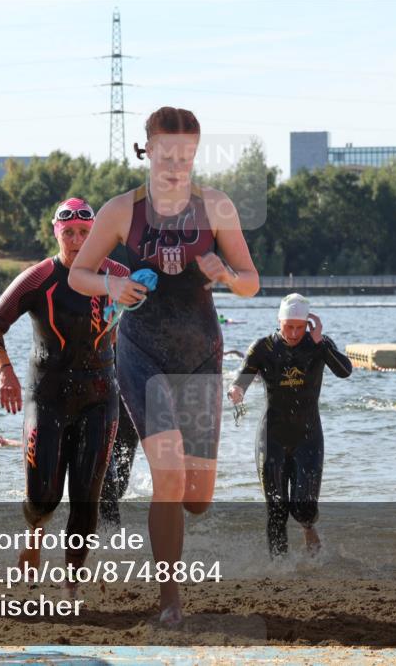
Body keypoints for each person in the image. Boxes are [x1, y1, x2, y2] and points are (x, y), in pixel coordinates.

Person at [69, 106, 259, 625]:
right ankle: (170, 601)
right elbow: (78, 275)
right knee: (168, 476)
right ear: (147, 149)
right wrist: (111, 284)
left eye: (187, 155)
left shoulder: (216, 208)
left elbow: (252, 281)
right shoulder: (120, 211)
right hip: (141, 351)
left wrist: (226, 273)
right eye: (167, 153)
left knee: (196, 498)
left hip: (200, 351)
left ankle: (172, 542)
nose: (176, 164)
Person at [0, 198, 130, 597]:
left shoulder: (117, 274)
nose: (78, 241)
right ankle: (35, 532)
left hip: (100, 394)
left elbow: (130, 326)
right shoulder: (38, 278)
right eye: (70, 234)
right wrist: (5, 374)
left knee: (87, 496)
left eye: (85, 233)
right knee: (43, 495)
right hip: (46, 395)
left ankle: (72, 585)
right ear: (56, 233)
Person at [228, 294, 352, 557]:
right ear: (279, 321)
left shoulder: (318, 345)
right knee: (276, 510)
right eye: (288, 327)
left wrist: (321, 344)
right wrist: (237, 390)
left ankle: (308, 527)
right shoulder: (263, 347)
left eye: (299, 327)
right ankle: (279, 567)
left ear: (308, 323)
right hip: (271, 437)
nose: (294, 333)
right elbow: (242, 378)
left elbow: (345, 371)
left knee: (304, 508)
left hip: (308, 437)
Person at [99, 401, 140, 527]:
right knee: (105, 486)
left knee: (119, 488)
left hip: (125, 392)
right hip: (89, 396)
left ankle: (108, 534)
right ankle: (107, 538)